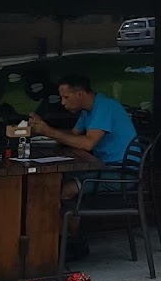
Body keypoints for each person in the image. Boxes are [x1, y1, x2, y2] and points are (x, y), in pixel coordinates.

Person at [29, 75, 140, 262]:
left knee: (65, 189)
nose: (63, 103)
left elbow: (87, 144)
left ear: (79, 94)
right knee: (59, 180)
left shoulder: (103, 107)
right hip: (106, 168)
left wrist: (48, 131)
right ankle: (63, 239)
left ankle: (73, 241)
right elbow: (73, 135)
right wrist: (45, 129)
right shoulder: (89, 110)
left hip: (121, 173)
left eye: (66, 97)